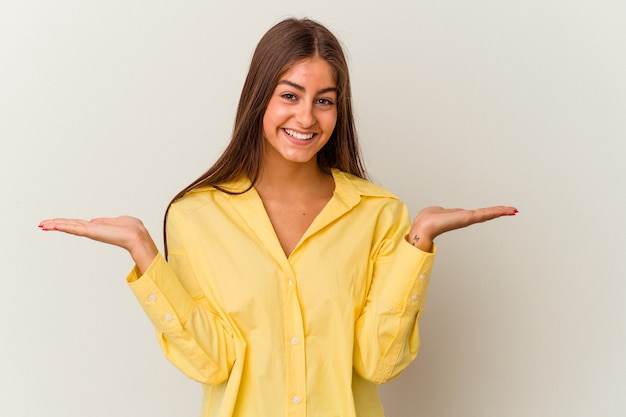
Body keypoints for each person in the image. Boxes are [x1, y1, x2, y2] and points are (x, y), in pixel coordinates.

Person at [39, 17, 517, 417]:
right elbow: (212, 363)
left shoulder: (380, 213)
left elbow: (378, 362)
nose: (306, 118)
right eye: (290, 95)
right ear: (259, 98)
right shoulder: (196, 216)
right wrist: (143, 251)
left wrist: (419, 241)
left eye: (324, 100)